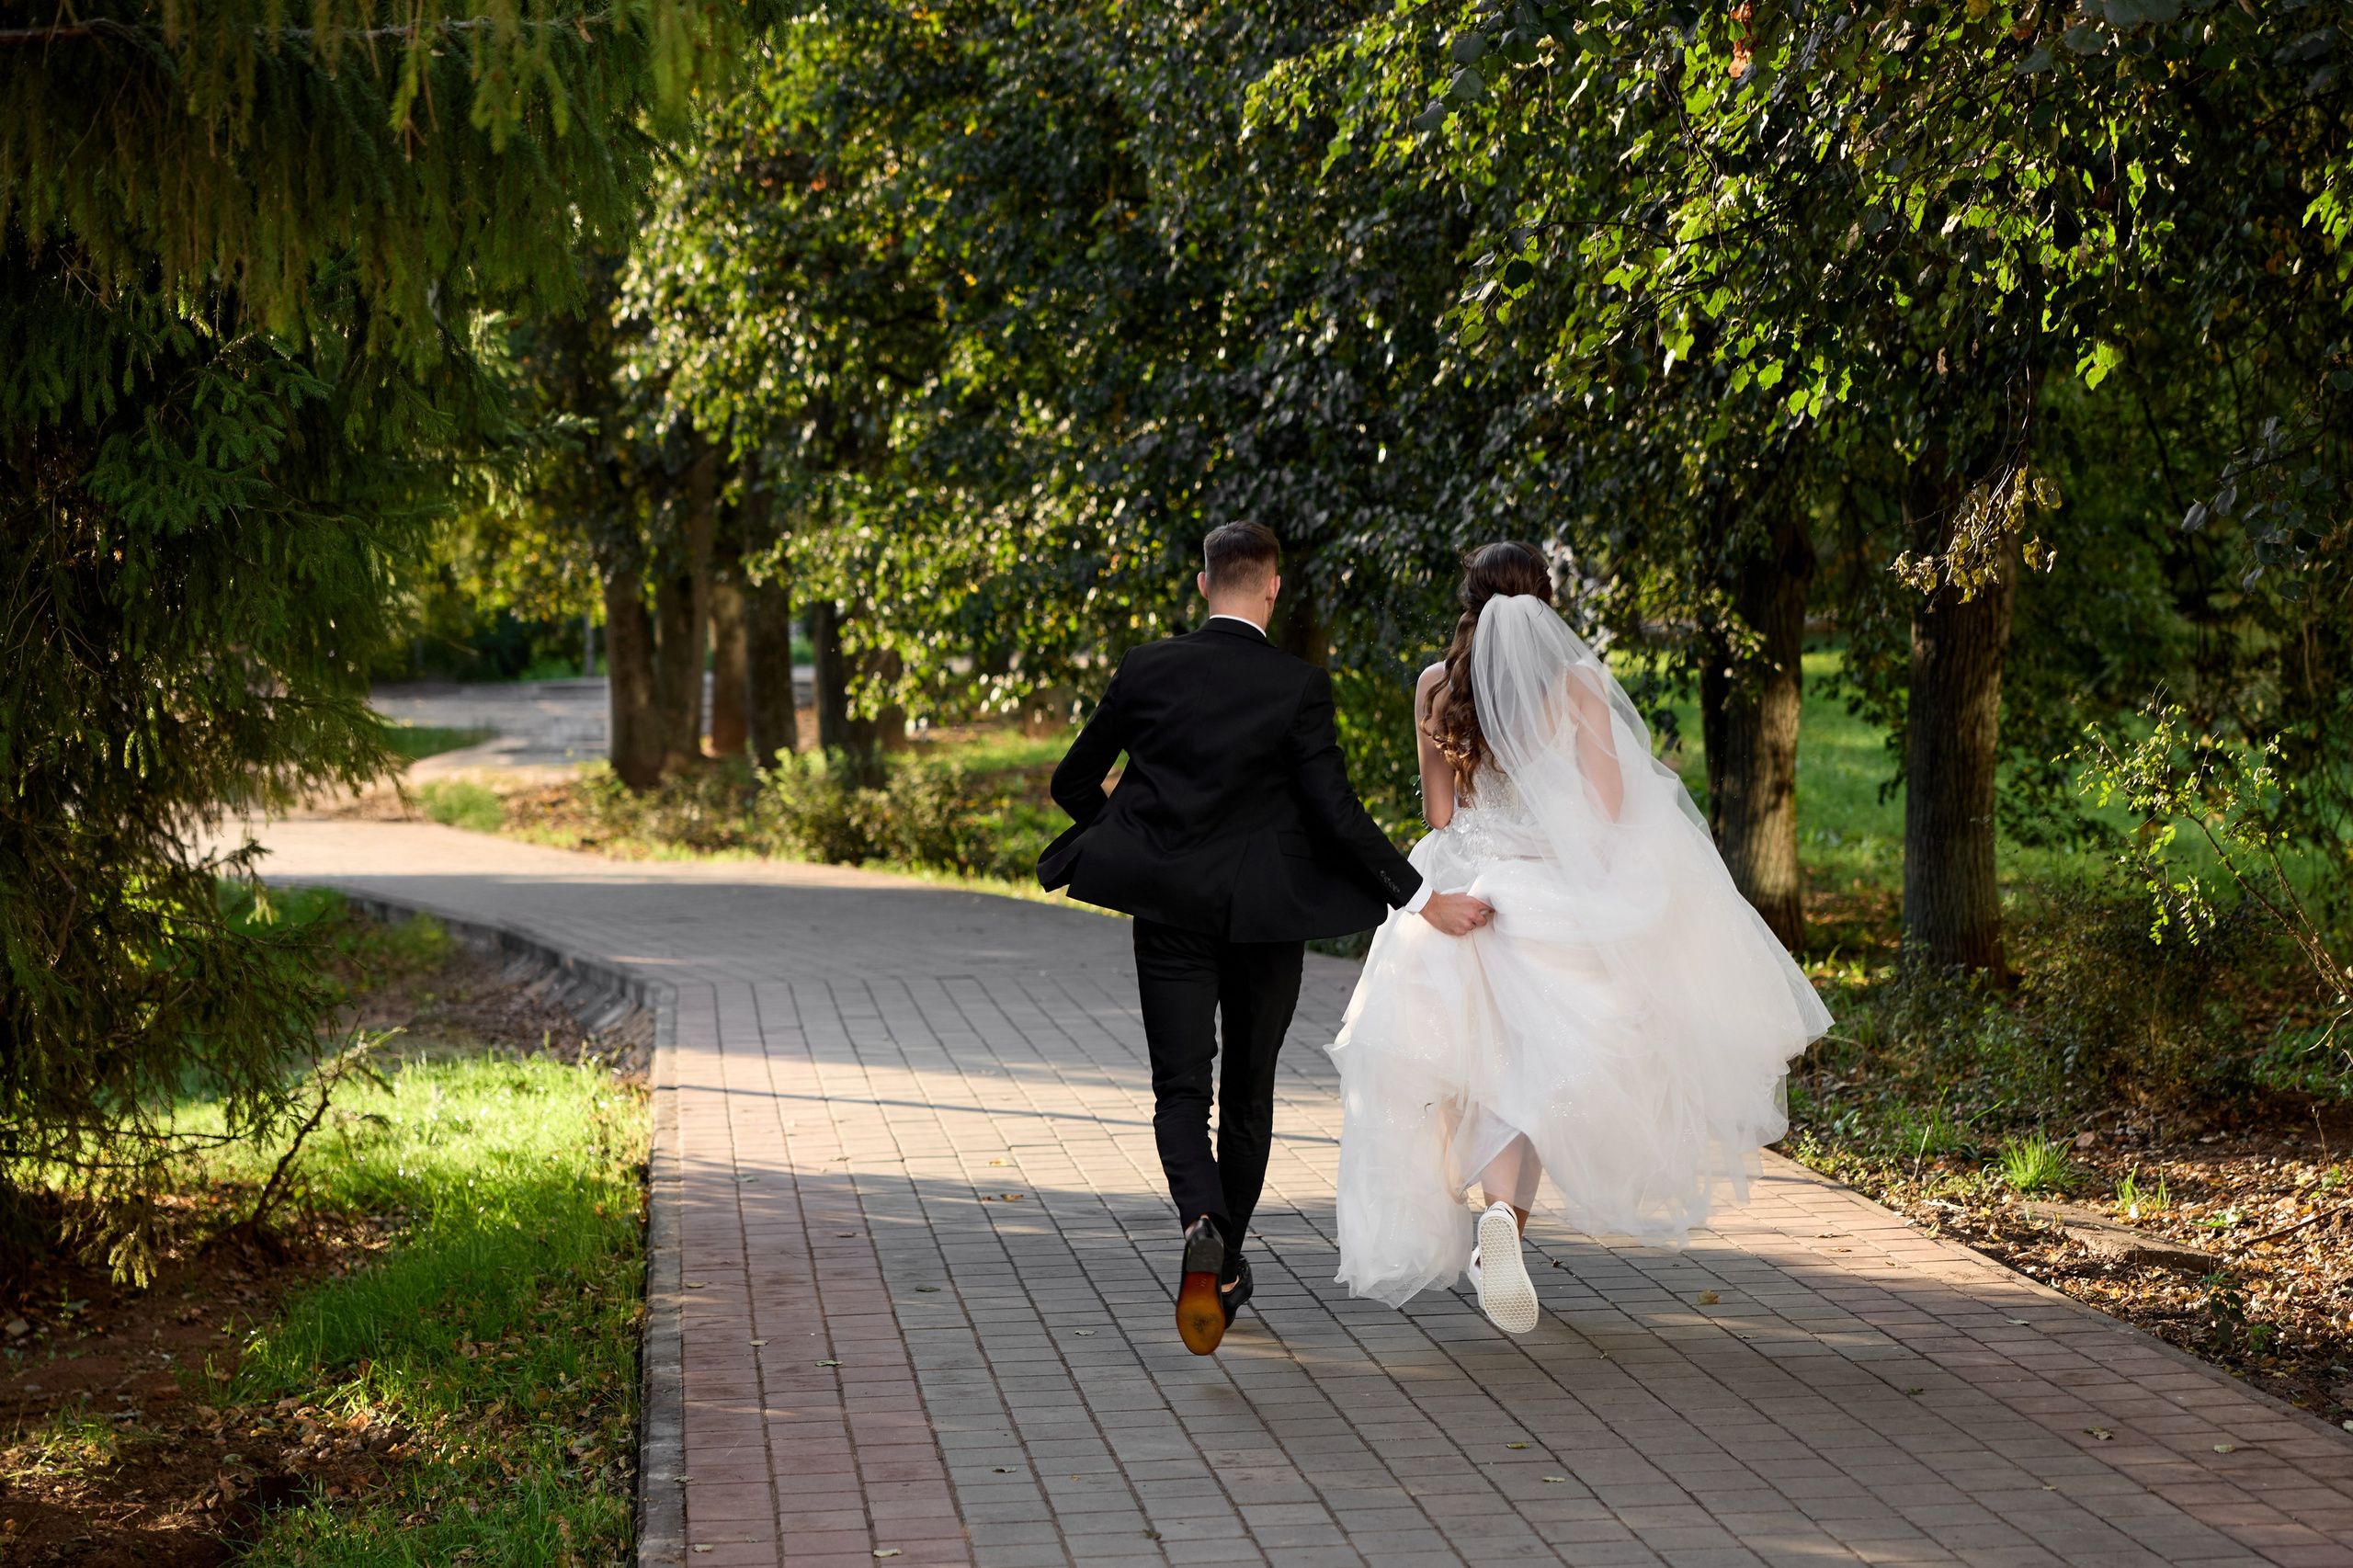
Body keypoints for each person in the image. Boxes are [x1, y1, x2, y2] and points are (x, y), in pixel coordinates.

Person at [1328, 542, 1832, 1334]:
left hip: (1463, 889)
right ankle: (1503, 1222)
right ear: (1548, 599)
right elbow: (1603, 813)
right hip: (1545, 891)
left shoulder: (1435, 684)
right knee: (1540, 1062)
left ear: (1469, 601)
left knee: (1484, 1063)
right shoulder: (1577, 685)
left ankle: (1500, 1221)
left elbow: (1439, 816)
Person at [1039, 521, 1495, 1355]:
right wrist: (1419, 895)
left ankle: (1200, 1224)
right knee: (1249, 1094)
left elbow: (1072, 781)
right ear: (1273, 589)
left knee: (1180, 1091)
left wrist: (1135, 839)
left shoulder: (1148, 669)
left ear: (1205, 583)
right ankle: (1227, 1260)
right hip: (1266, 921)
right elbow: (1335, 813)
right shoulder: (1298, 686)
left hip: (1170, 915)